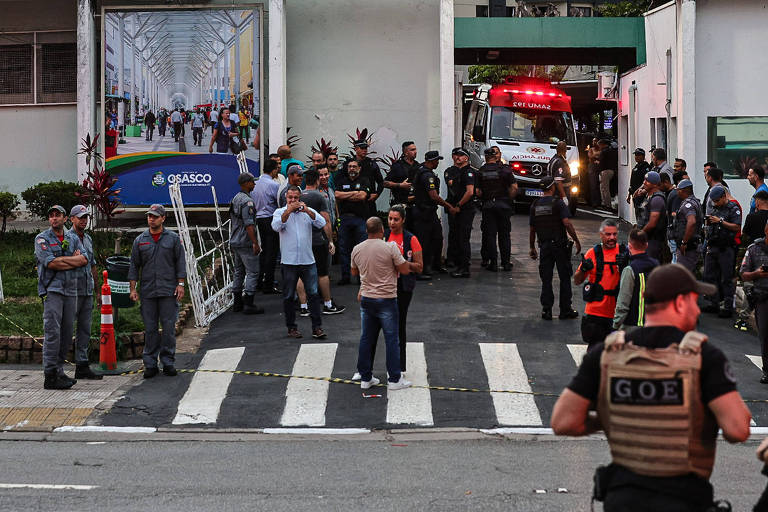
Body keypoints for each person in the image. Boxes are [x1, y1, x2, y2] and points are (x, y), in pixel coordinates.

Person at [552, 263, 751, 512]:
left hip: (621, 499)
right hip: (683, 499)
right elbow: (738, 429)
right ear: (679, 303)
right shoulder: (704, 356)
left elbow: (563, 421)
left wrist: (616, 415)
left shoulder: (609, 352)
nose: (696, 309)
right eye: (693, 301)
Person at [351, 217, 417, 391]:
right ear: (381, 231)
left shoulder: (357, 249)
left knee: (366, 338)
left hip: (367, 298)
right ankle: (394, 379)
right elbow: (404, 270)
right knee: (391, 339)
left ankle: (365, 377)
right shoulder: (390, 247)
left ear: (367, 231)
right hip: (387, 298)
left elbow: (354, 271)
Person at [128, 204, 186, 379]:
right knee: (151, 329)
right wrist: (133, 288)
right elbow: (134, 266)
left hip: (168, 291)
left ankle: (168, 362)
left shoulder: (173, 239)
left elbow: (180, 263)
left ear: (163, 218)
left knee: (168, 328)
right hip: (148, 292)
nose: (151, 219)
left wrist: (181, 284)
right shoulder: (140, 240)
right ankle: (150, 364)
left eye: (154, 216)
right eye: (149, 216)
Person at [35, 205, 88, 389]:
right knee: (52, 332)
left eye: (58, 215)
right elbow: (50, 262)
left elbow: (85, 259)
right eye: (51, 216)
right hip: (53, 290)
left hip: (71, 289)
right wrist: (73, 262)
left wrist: (66, 262)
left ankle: (59, 371)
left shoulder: (73, 238)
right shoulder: (42, 238)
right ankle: (50, 375)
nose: (54, 218)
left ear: (65, 219)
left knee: (66, 334)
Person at [272, 186, 327, 339]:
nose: (293, 201)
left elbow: (322, 222)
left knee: (314, 295)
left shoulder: (306, 211)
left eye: (296, 198)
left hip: (307, 260)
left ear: (300, 197)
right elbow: (276, 226)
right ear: (286, 198)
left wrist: (308, 211)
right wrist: (288, 211)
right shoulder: (279, 212)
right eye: (290, 198)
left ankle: (317, 327)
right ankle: (291, 327)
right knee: (289, 296)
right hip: (289, 261)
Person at [529, 176, 581, 320]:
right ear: (552, 188)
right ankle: (565, 309)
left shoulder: (535, 205)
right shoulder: (558, 204)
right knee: (564, 277)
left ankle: (547, 310)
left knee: (546, 278)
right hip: (559, 245)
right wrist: (576, 240)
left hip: (544, 246)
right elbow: (567, 223)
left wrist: (532, 247)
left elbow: (532, 229)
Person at [295, 169, 345, 316]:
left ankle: (304, 307)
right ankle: (328, 304)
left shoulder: (298, 196)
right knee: (322, 273)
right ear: (317, 180)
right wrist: (330, 240)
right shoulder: (319, 196)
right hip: (317, 240)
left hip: (301, 241)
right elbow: (326, 221)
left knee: (301, 274)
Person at [574, 219, 628, 351]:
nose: (612, 238)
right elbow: (577, 280)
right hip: (595, 313)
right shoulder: (593, 253)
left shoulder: (624, 252)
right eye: (608, 235)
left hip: (616, 314)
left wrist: (626, 265)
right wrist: (584, 269)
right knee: (594, 354)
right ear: (601, 235)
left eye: (614, 234)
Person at [385, 205, 423, 374]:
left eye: (396, 219)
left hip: (403, 287)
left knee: (399, 325)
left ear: (403, 220)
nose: (392, 222)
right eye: (390, 218)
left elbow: (419, 267)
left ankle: (400, 366)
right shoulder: (384, 236)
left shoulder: (411, 239)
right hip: (385, 286)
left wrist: (402, 264)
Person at [68, 205, 102, 380]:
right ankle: (55, 368)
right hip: (70, 291)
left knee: (85, 329)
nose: (84, 220)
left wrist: (97, 291)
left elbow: (93, 265)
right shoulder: (65, 238)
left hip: (86, 290)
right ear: (72, 218)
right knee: (65, 330)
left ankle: (82, 365)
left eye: (86, 217)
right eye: (80, 217)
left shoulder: (87, 239)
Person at [412, 150, 456, 278]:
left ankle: (435, 265)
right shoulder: (427, 175)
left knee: (437, 238)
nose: (437, 162)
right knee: (424, 242)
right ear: (431, 161)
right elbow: (434, 196)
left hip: (428, 212)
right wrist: (449, 206)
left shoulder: (422, 170)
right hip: (423, 212)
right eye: (436, 160)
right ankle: (421, 269)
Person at [702, 185, 742, 318]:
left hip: (726, 248)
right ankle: (714, 302)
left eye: (717, 200)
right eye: (714, 201)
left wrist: (721, 221)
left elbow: (736, 227)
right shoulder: (714, 208)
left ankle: (728, 306)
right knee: (709, 275)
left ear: (724, 197)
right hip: (713, 245)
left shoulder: (733, 208)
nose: (715, 203)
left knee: (726, 278)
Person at [476, 147, 517, 272]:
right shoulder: (505, 170)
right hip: (503, 206)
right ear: (495, 156)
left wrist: (485, 198)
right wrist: (507, 199)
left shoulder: (481, 172)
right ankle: (505, 263)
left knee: (490, 235)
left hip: (488, 206)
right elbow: (514, 187)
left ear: (486, 157)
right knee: (504, 235)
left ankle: (493, 263)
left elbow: (477, 191)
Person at [230, 173, 264, 315]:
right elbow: (249, 225)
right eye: (252, 182)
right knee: (253, 272)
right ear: (246, 183)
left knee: (239, 271)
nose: (254, 185)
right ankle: (249, 302)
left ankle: (237, 302)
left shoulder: (236, 198)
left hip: (235, 240)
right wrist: (255, 243)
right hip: (245, 241)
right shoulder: (247, 202)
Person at [612, 229, 659, 330]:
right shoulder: (656, 265)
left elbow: (623, 303)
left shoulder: (630, 270)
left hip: (633, 325)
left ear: (629, 246)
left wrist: (616, 325)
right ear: (646, 245)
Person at [335, 159, 372, 286]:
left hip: (360, 219)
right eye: (350, 166)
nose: (351, 169)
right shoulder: (341, 181)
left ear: (359, 168)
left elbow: (362, 196)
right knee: (344, 249)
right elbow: (336, 195)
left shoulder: (364, 180)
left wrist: (346, 194)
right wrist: (354, 193)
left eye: (354, 166)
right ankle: (345, 276)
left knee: (360, 249)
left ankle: (360, 277)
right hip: (345, 219)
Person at [740, 222, 768, 383]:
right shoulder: (754, 249)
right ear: (765, 231)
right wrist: (757, 274)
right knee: (765, 336)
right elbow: (743, 274)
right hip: (763, 298)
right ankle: (767, 370)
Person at [444, 147, 476, 278]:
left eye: (460, 155)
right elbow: (451, 184)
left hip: (464, 209)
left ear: (466, 158)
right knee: (455, 236)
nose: (457, 157)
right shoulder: (451, 171)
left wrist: (458, 205)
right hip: (454, 207)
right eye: (455, 155)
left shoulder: (468, 172)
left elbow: (470, 192)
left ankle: (464, 268)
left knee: (463, 238)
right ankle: (456, 263)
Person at [251, 159, 281, 295]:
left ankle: (259, 281)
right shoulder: (273, 185)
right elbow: (278, 202)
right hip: (270, 217)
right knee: (272, 252)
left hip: (259, 218)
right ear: (273, 170)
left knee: (264, 251)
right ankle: (268, 283)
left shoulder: (255, 183)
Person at [384, 141, 419, 229]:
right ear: (406, 152)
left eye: (415, 149)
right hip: (401, 206)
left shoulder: (418, 166)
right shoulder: (397, 166)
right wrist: (400, 185)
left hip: (416, 206)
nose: (415, 152)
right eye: (412, 150)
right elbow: (385, 183)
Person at [672, 179, 704, 272]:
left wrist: (684, 242)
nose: (677, 192)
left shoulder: (688, 204)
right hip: (693, 244)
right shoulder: (695, 201)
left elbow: (692, 222)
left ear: (682, 190)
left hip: (689, 247)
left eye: (678, 190)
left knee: (683, 275)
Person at [346, 140, 384, 217]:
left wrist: (377, 194)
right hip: (351, 203)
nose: (365, 150)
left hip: (368, 202)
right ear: (356, 149)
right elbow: (342, 181)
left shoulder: (371, 164)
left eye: (366, 148)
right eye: (362, 148)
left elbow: (381, 182)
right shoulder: (348, 164)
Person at [637, 171, 667, 262]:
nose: (644, 183)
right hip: (647, 239)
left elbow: (652, 223)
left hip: (653, 240)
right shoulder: (648, 196)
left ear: (654, 184)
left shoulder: (657, 199)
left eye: (647, 181)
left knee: (650, 266)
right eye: (644, 180)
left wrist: (640, 233)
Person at [547, 140, 572, 205]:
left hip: (554, 191)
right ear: (565, 150)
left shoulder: (553, 159)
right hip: (560, 193)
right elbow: (558, 181)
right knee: (563, 213)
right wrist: (564, 196)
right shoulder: (560, 162)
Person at [597, 139, 618, 210]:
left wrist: (598, 164)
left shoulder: (604, 152)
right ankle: (606, 203)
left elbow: (601, 161)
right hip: (611, 170)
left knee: (604, 188)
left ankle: (607, 205)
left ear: (602, 144)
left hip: (605, 170)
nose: (599, 146)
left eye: (599, 145)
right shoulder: (612, 151)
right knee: (605, 188)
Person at [587, 137, 601, 207]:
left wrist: (595, 155)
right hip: (592, 167)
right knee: (593, 185)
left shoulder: (601, 149)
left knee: (599, 185)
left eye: (596, 141)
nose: (594, 142)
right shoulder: (591, 149)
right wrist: (597, 155)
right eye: (593, 141)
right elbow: (590, 156)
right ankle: (594, 202)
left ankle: (599, 201)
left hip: (599, 167)